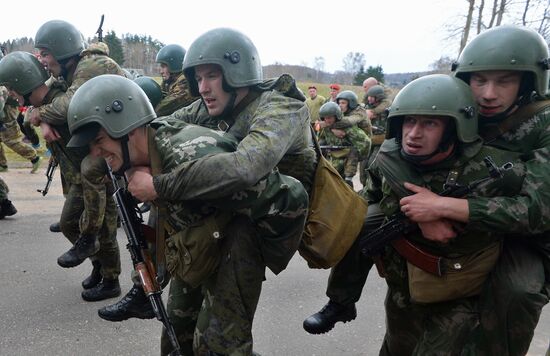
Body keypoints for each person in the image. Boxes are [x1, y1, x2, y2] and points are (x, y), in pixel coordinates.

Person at [96, 27, 316, 355]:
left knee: (222, 341)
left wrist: (157, 185)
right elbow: (158, 127)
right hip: (219, 215)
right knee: (178, 330)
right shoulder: (211, 106)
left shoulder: (280, 105)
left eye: (211, 76)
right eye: (198, 79)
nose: (203, 88)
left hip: (264, 221)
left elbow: (245, 168)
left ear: (237, 72)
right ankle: (145, 289)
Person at [401, 25, 550, 355]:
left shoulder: (545, 123)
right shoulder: (456, 104)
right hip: (459, 225)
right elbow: (392, 152)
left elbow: (537, 211)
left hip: (525, 238)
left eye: (504, 81)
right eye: (479, 80)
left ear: (528, 82)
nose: (488, 94)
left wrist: (443, 207)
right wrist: (419, 209)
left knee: (517, 291)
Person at [363, 74, 527, 355]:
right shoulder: (388, 159)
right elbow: (371, 198)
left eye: (430, 123)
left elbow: (531, 214)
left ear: (453, 129)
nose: (414, 133)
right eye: (409, 121)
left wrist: (453, 210)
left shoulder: (499, 170)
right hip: (404, 285)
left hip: (461, 292)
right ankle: (339, 301)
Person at [317, 101, 370, 186]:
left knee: (346, 184)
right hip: (333, 160)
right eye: (325, 118)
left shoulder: (348, 128)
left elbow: (366, 142)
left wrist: (357, 156)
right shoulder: (325, 127)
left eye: (330, 117)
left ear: (336, 116)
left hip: (348, 162)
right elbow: (321, 140)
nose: (327, 120)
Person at [0, 86, 42, 174]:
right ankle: (2, 164)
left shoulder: (2, 87)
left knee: (12, 142)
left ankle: (34, 158)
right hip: (5, 118)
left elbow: (0, 102)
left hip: (6, 120)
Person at [361, 84, 393, 186]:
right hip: (369, 140)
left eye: (372, 97)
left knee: (372, 164)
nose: (369, 99)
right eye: (368, 96)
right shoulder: (367, 108)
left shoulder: (386, 109)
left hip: (380, 141)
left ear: (378, 97)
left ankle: (373, 186)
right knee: (363, 166)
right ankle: (364, 186)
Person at [155, 44, 197, 116]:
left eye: (163, 67)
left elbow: (161, 109)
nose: (161, 71)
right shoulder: (169, 81)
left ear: (174, 65)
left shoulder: (185, 81)